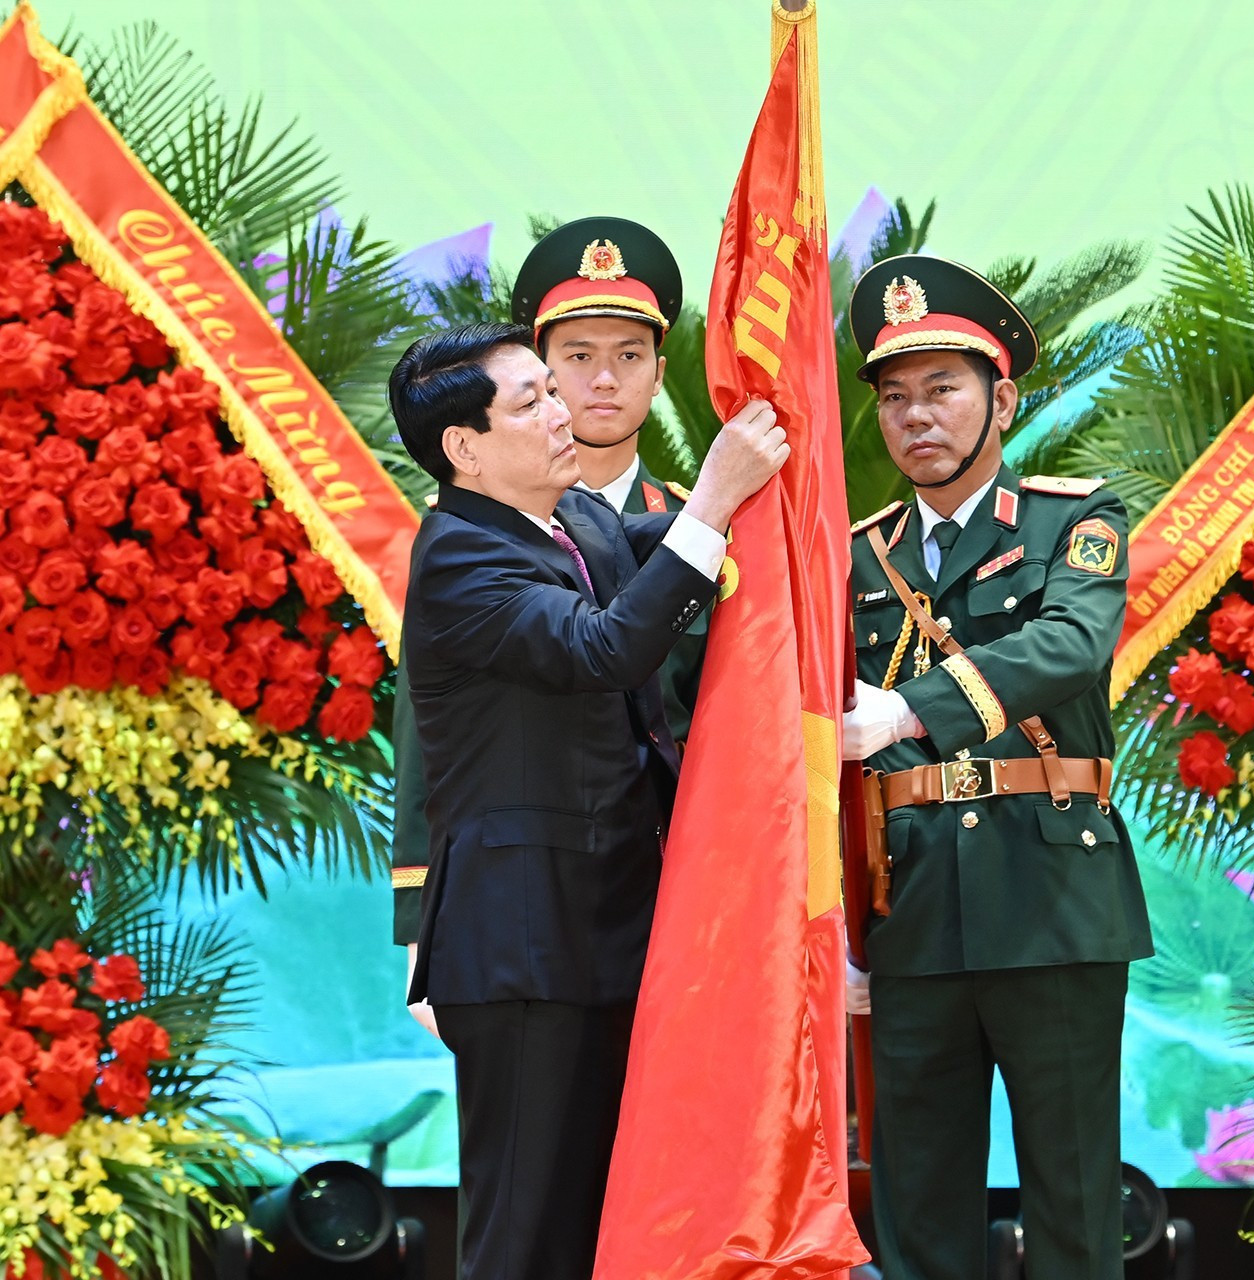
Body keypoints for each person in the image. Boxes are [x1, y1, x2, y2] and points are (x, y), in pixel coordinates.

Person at [388, 320, 785, 1280]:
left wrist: (767, 492)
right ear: (464, 448)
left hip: (609, 933)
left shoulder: (580, 523)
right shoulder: (457, 559)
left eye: (548, 389)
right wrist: (719, 492)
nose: (563, 410)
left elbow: (685, 551)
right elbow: (604, 647)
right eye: (531, 401)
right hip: (523, 947)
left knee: (609, 1221)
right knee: (526, 1233)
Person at [840, 254, 1153, 1280]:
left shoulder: (1077, 518)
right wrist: (838, 924)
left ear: (1002, 396)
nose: (916, 416)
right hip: (912, 902)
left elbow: (1070, 642)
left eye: (943, 389)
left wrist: (906, 710)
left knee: (1071, 1198)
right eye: (896, 396)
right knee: (918, 1201)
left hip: (1053, 891)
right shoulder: (854, 554)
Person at [391, 216, 708, 1012]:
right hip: (530, 913)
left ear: (660, 373)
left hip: (671, 883)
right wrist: (419, 918)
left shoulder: (642, 523)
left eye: (628, 356)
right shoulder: (464, 539)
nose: (598, 385)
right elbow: (427, 747)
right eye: (572, 362)